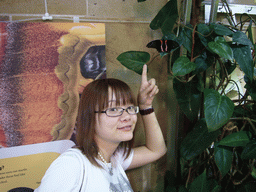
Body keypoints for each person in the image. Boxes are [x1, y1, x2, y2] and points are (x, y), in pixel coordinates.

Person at [34, 64, 167, 192]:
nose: (127, 116)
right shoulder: (72, 165)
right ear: (90, 117)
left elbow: (156, 150)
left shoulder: (115, 158)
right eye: (114, 109)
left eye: (130, 108)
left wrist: (145, 106)